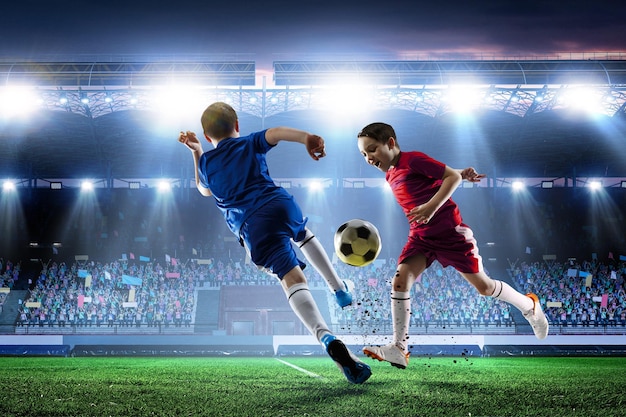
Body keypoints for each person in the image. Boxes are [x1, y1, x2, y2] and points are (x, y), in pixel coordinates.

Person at [178, 101, 371, 384]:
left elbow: (203, 190)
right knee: (303, 234)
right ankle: (338, 288)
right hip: (277, 203)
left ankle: (325, 336)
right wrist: (307, 138)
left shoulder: (207, 162)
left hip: (252, 227)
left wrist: (196, 154)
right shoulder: (248, 142)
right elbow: (276, 132)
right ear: (237, 125)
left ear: (207, 138)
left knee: (291, 278)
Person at [356, 122, 549, 369]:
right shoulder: (390, 173)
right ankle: (398, 348)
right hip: (421, 237)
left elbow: (451, 177)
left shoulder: (412, 159)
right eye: (363, 154)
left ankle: (529, 305)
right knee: (400, 281)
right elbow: (445, 175)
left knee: (485, 287)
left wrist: (432, 205)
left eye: (372, 149)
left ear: (390, 143)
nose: (368, 158)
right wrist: (458, 172)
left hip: (450, 234)